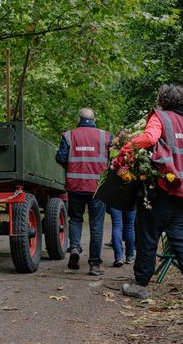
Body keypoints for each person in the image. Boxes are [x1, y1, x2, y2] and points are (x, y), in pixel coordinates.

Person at [121, 84, 183, 300]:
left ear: (163, 101)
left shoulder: (161, 117)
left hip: (163, 186)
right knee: (179, 236)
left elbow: (150, 139)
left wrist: (126, 147)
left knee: (148, 235)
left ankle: (140, 285)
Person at [56, 108, 112, 276]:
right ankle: (94, 265)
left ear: (78, 118)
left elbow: (60, 157)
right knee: (96, 226)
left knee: (75, 220)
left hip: (75, 186)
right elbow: (115, 157)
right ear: (94, 119)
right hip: (98, 188)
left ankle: (74, 248)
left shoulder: (68, 135)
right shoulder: (106, 136)